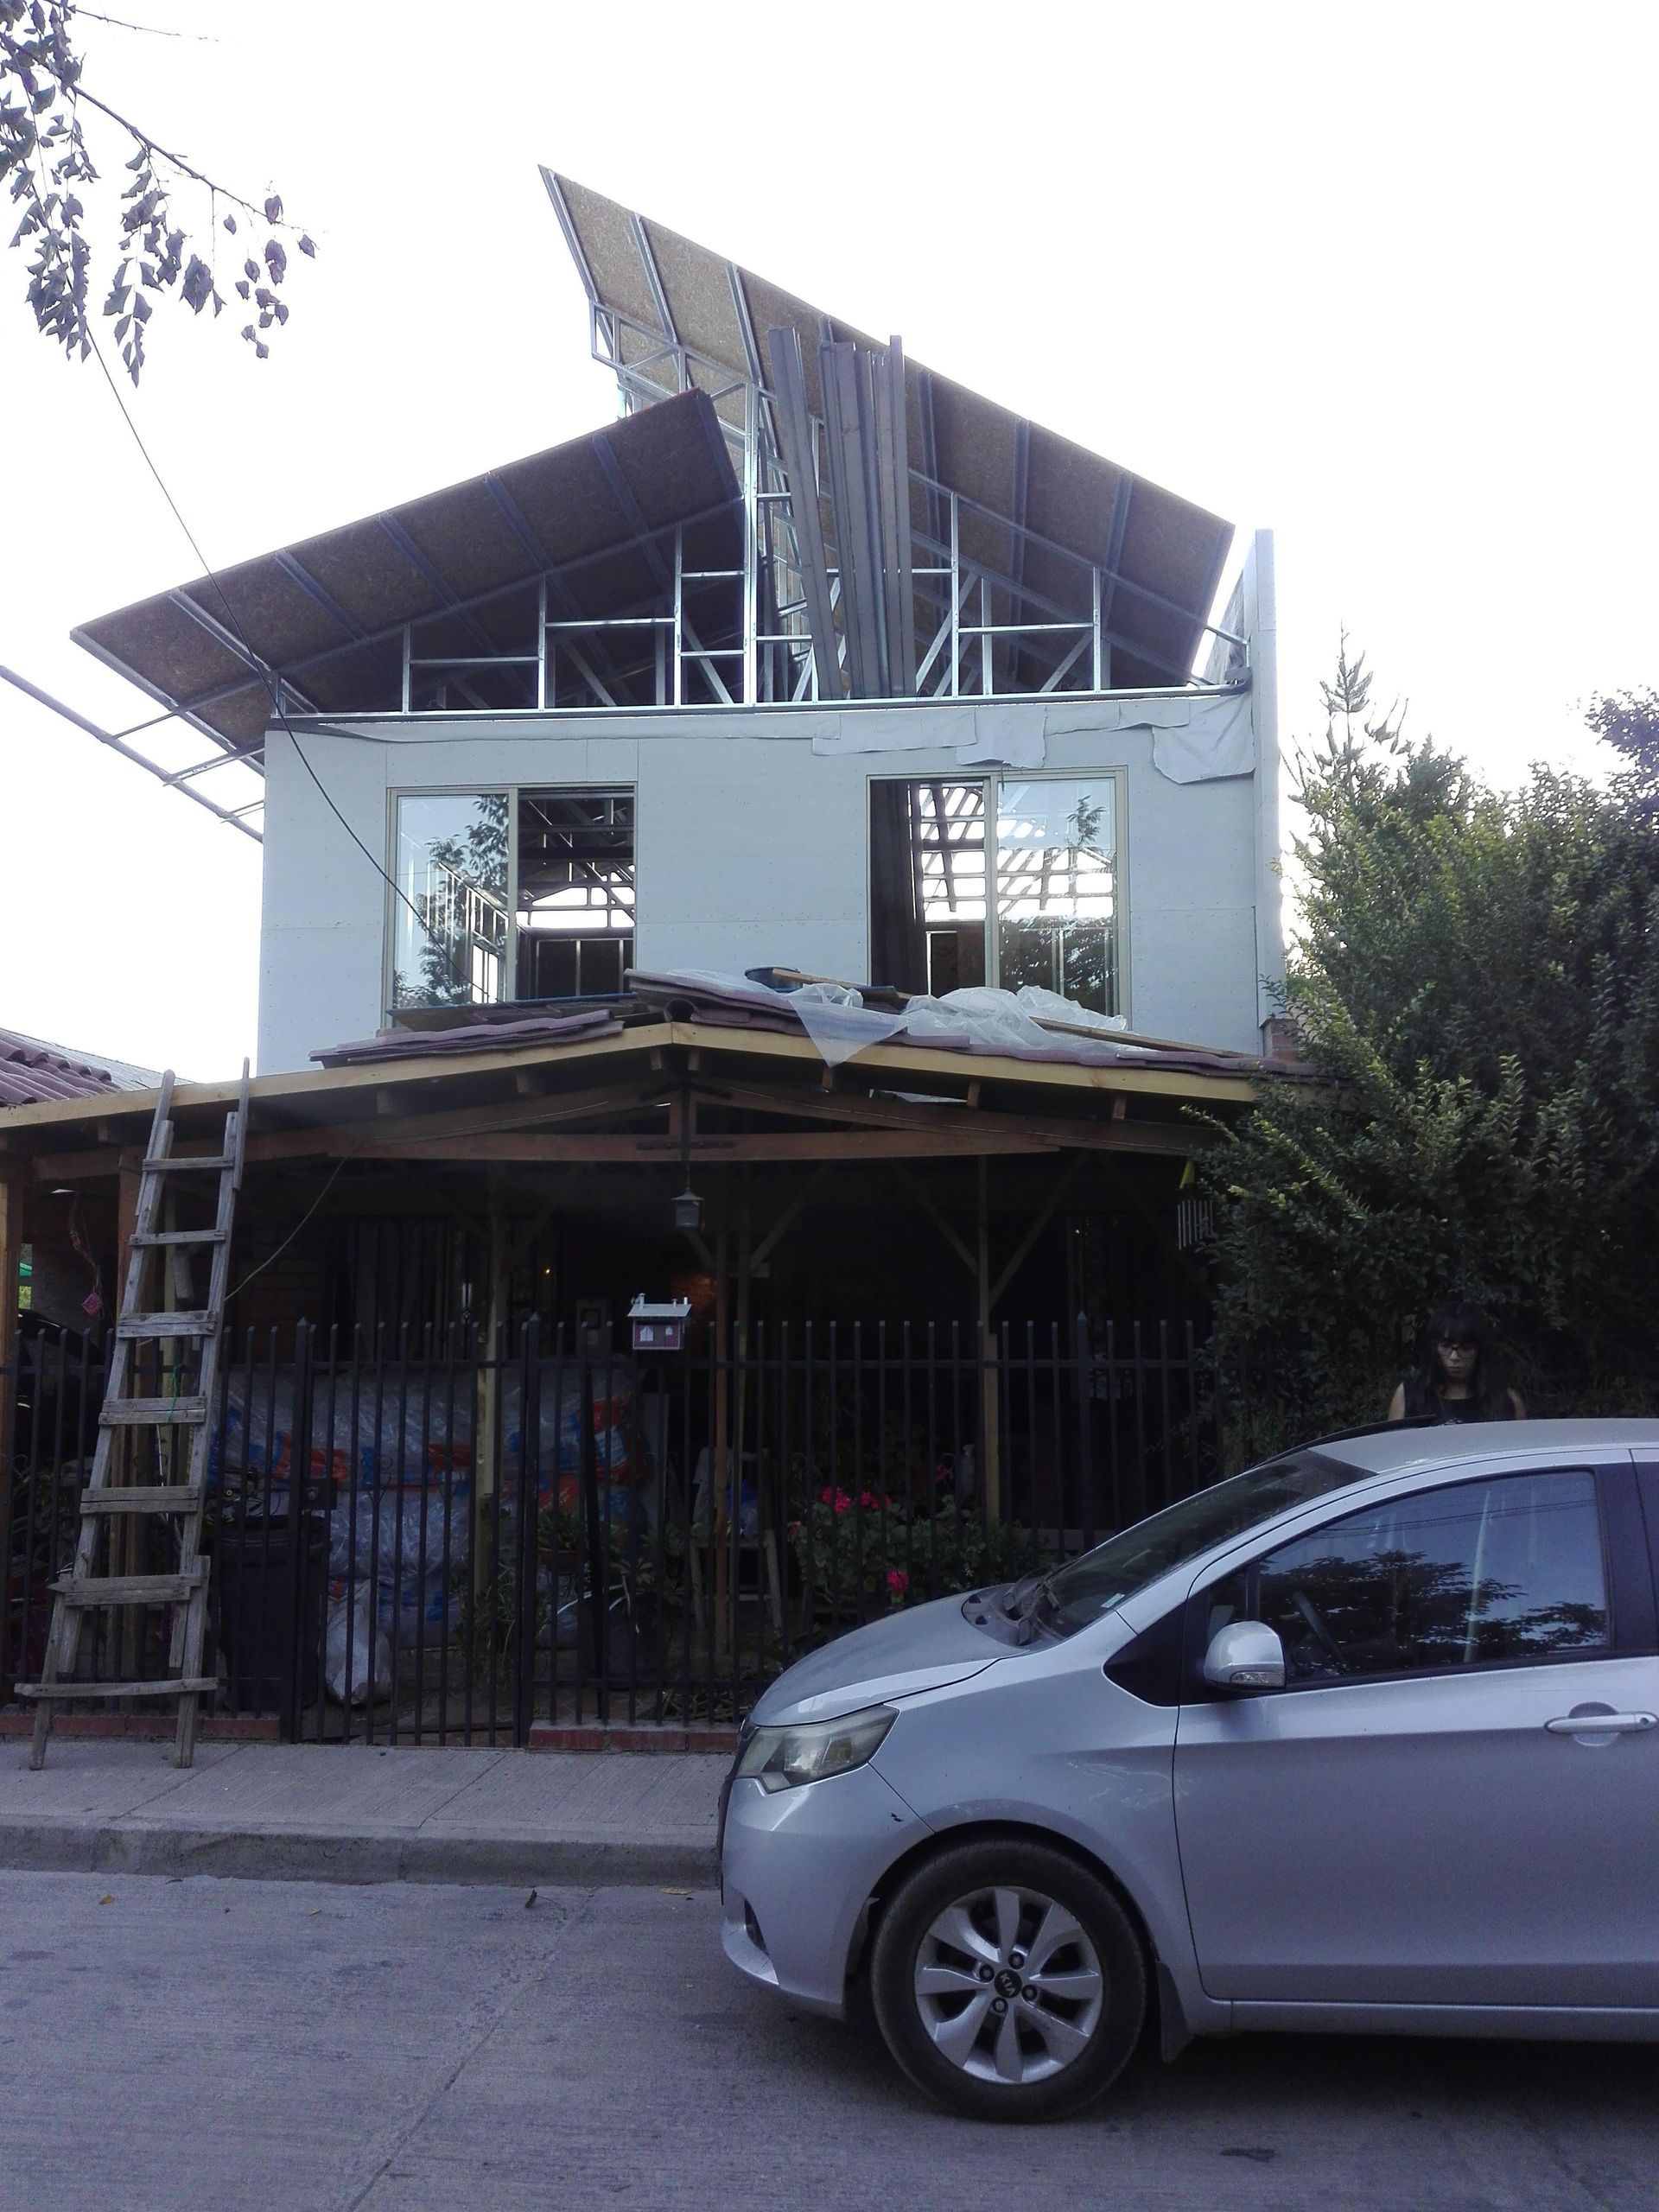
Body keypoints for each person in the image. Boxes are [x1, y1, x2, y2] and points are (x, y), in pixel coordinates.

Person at [1387, 1300, 1526, 1423]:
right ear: (1435, 1348)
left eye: (1465, 1348)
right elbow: (1393, 1448)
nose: (1454, 1357)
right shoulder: (1409, 1396)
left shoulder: (1506, 1401)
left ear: (1479, 1351)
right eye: (1446, 1347)